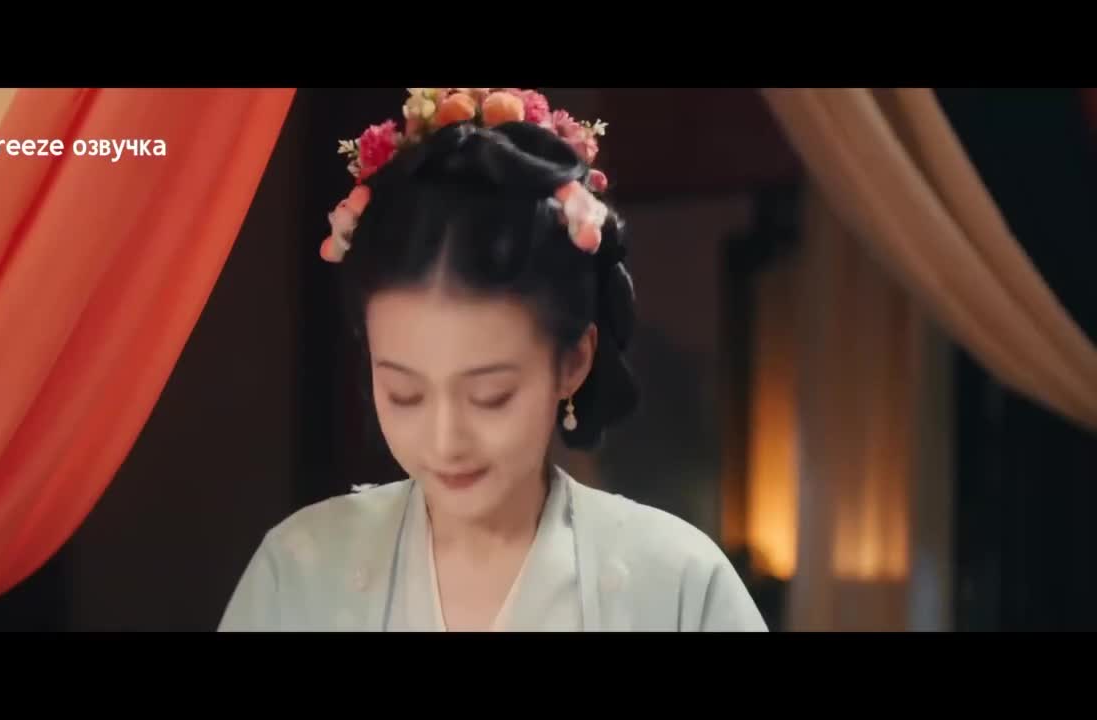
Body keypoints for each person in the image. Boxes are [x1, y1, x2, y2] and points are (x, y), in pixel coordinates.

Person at [218, 88, 767, 632]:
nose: (445, 441)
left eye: (490, 396)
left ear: (573, 361)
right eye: (405, 394)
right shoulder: (299, 571)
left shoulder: (678, 585)